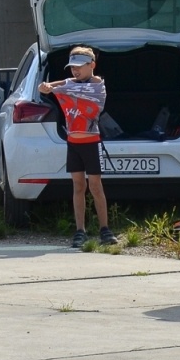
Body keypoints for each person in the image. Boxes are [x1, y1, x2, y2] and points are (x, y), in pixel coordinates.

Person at [37, 45, 116, 248]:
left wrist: (53, 87)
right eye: (72, 67)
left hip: (92, 143)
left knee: (96, 186)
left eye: (80, 66)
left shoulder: (97, 86)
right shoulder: (71, 83)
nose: (75, 70)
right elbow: (60, 84)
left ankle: (105, 229)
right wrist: (46, 86)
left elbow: (70, 86)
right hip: (73, 143)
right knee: (78, 186)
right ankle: (80, 231)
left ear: (92, 65)